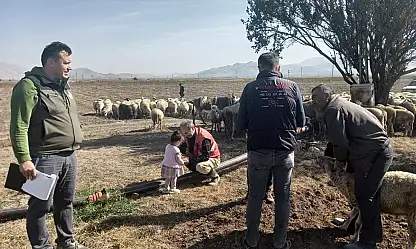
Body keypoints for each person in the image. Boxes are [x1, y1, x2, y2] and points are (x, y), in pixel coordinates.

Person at [9, 41, 87, 249]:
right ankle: (42, 247)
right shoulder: (29, 86)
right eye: (66, 62)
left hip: (69, 155)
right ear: (51, 62)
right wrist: (24, 159)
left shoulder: (64, 86)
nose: (69, 67)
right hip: (45, 157)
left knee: (66, 203)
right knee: (40, 207)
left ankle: (66, 241)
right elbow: (19, 126)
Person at [311, 84, 393, 249]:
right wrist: (329, 155)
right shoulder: (339, 103)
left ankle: (369, 241)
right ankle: (352, 223)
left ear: (327, 96)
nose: (313, 102)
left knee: (366, 195)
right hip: (369, 151)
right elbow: (336, 138)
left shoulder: (332, 109)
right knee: (356, 190)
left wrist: (339, 161)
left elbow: (340, 142)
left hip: (373, 155)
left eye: (316, 98)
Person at [237, 52, 306, 249]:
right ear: (278, 68)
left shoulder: (250, 89)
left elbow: (240, 123)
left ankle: (251, 241)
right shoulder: (292, 87)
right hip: (285, 150)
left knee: (256, 197)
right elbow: (301, 122)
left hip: (258, 150)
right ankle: (280, 242)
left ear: (259, 68)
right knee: (283, 197)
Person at [178, 120, 221, 186]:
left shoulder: (203, 137)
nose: (184, 136)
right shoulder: (189, 135)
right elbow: (181, 147)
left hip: (212, 158)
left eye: (186, 133)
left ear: (192, 128)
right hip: (198, 156)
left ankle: (215, 177)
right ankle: (200, 175)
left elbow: (205, 157)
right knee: (183, 159)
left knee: (200, 166)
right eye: (183, 133)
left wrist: (191, 160)